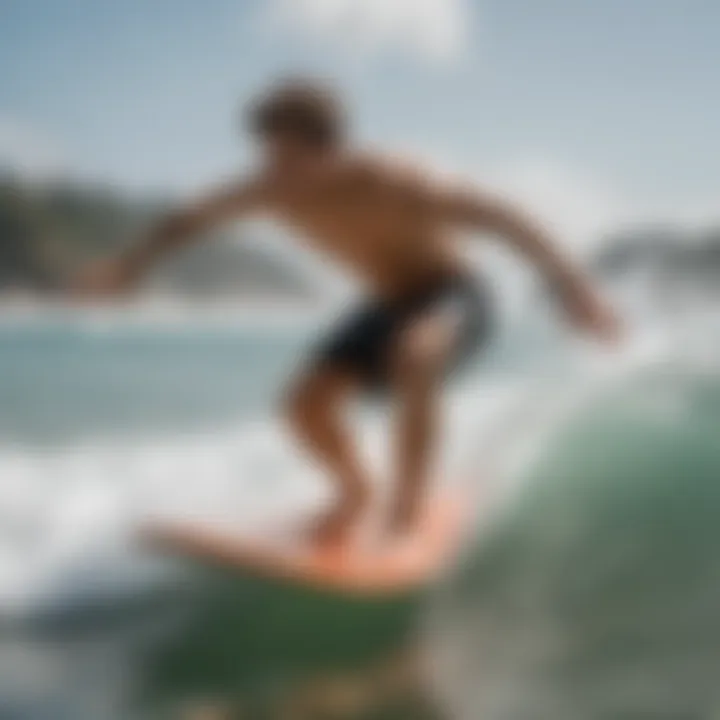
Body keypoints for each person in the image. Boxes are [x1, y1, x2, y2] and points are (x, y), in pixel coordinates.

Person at [74, 78, 621, 547]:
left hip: (454, 292)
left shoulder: (397, 181)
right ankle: (356, 491)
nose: (276, 171)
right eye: (268, 155)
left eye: (289, 158)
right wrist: (130, 265)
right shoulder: (269, 190)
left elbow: (504, 217)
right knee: (303, 407)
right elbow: (190, 219)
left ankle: (405, 513)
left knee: (417, 352)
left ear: (330, 149)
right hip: (388, 300)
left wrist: (575, 289)